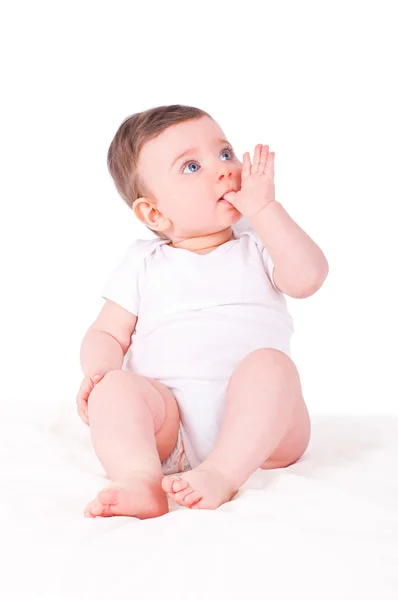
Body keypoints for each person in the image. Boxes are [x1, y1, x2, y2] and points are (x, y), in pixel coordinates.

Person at [76, 104, 328, 519]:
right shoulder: (143, 262)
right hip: (170, 431)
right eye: (192, 166)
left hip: (267, 432)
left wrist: (265, 210)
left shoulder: (259, 244)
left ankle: (223, 474)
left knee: (271, 367)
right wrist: (100, 372)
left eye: (225, 153)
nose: (223, 169)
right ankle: (139, 480)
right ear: (153, 212)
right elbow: (106, 333)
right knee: (116, 389)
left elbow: (309, 278)